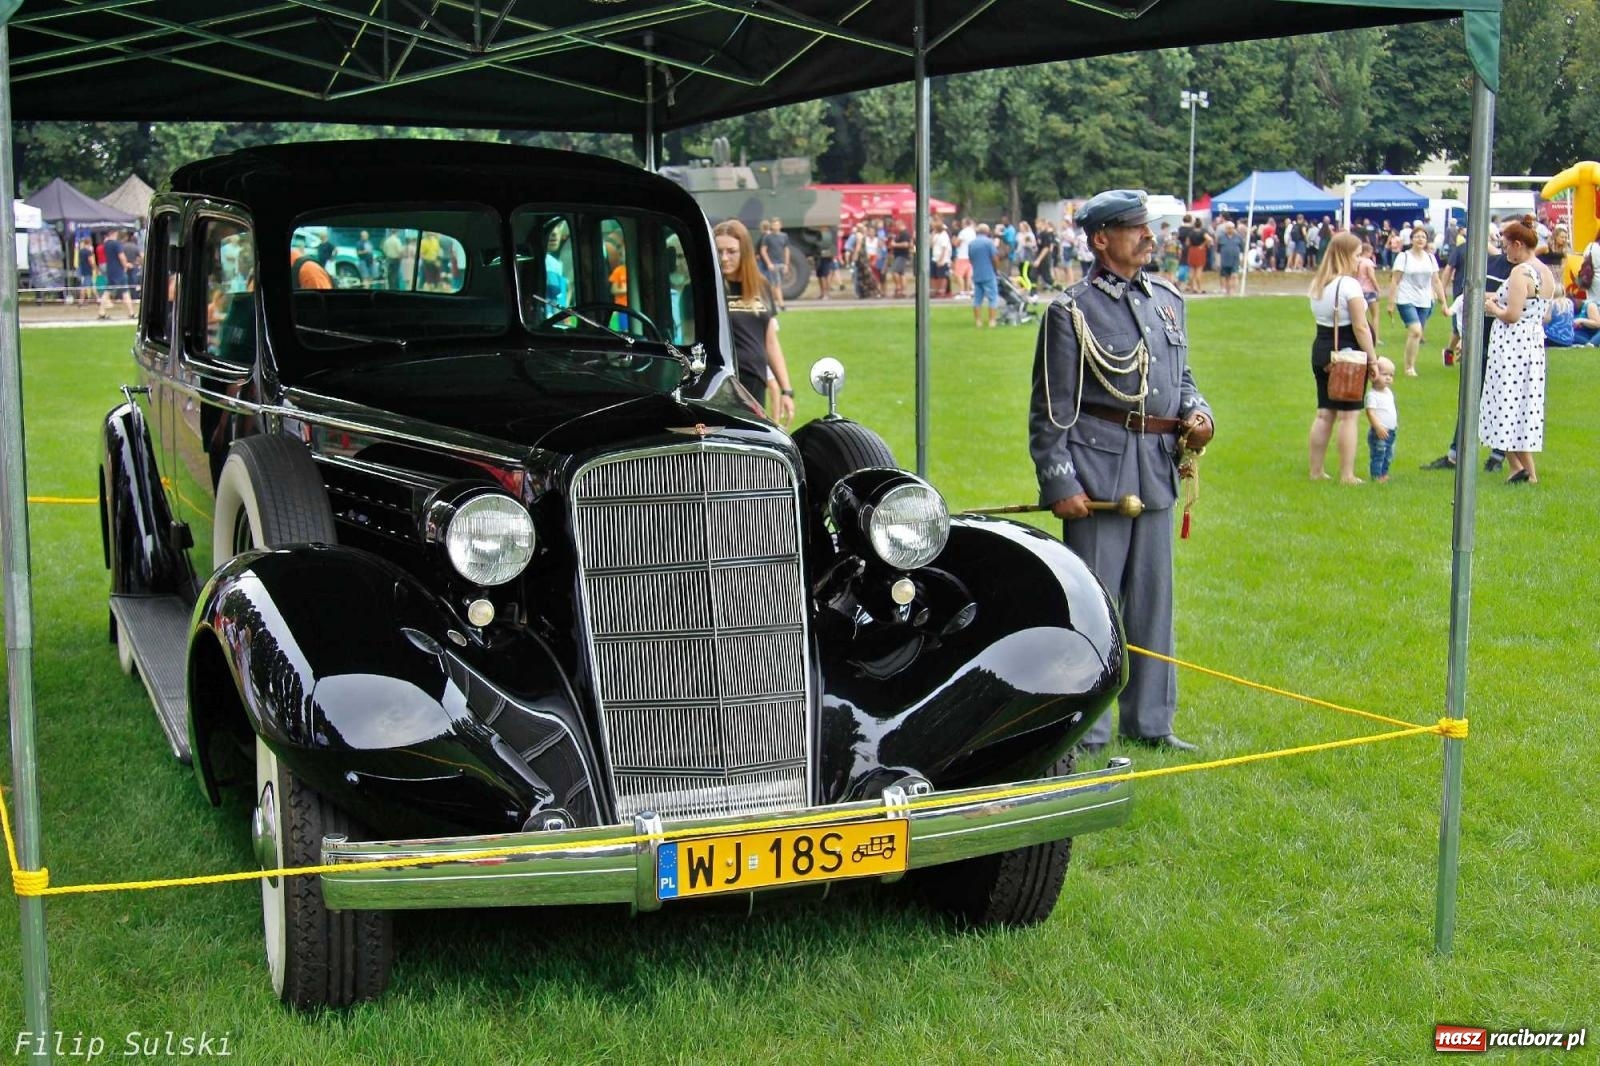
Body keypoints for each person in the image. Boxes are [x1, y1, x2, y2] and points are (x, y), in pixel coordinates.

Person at [1028, 189, 1214, 754]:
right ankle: (1090, 727)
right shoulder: (1072, 310)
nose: (1149, 237)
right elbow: (1051, 407)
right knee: (1094, 604)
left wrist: (1198, 412)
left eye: (1148, 228)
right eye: (1136, 229)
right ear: (1101, 238)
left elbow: (1181, 377)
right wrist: (1060, 480)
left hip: (1155, 469)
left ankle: (1151, 723)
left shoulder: (1167, 299)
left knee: (1154, 602)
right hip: (1097, 471)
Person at [1480, 216, 1553, 485]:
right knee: (1522, 407)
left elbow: (1511, 314)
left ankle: (1516, 467)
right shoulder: (1545, 272)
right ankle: (1526, 473)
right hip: (1533, 343)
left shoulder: (1520, 272)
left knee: (1503, 403)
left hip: (1512, 345)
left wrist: (1493, 308)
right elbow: (1543, 314)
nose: (1504, 251)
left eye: (1506, 245)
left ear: (1518, 244)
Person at [1307, 232, 1378, 484]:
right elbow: (1360, 327)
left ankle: (1316, 470)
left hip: (1321, 348)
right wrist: (1372, 359)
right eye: (1357, 255)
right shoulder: (1349, 285)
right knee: (1349, 415)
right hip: (1347, 352)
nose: (1360, 260)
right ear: (1347, 255)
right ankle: (1346, 474)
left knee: (1324, 412)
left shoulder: (1318, 283)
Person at [714, 219, 795, 426]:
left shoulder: (761, 287)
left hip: (755, 382)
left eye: (731, 251)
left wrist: (786, 390)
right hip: (719, 385)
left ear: (745, 252)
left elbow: (770, 343)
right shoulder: (707, 289)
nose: (724, 258)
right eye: (719, 250)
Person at [1388, 227, 1446, 377]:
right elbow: (1395, 280)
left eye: (1423, 237)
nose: (1420, 239)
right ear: (1411, 239)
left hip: (1425, 300)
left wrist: (1443, 302)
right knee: (1415, 330)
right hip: (1406, 298)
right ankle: (1409, 368)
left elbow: (1436, 280)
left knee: (1417, 335)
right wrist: (1391, 302)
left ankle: (1411, 363)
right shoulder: (1403, 257)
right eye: (1417, 237)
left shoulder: (1430, 258)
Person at [1365, 356, 1398, 483]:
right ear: (1373, 374)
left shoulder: (1388, 392)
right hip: (1379, 431)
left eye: (1391, 375)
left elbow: (1391, 409)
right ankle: (1376, 476)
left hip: (1391, 431)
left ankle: (1384, 473)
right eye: (1385, 374)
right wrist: (1377, 427)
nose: (1389, 378)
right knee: (1379, 454)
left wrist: (1395, 424)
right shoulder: (1372, 395)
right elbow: (1370, 412)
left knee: (1388, 454)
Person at [967, 222, 1001, 327]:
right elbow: (994, 258)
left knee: (977, 298)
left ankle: (978, 321)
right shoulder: (989, 242)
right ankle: (992, 320)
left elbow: (971, 259)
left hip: (977, 273)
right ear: (987, 232)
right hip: (989, 273)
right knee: (993, 297)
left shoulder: (972, 243)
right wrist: (996, 269)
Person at [759, 217, 791, 310]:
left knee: (775, 285)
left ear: (780, 225)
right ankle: (781, 304)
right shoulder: (767, 237)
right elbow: (763, 250)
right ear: (771, 226)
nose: (775, 226)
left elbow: (786, 250)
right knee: (777, 284)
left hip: (781, 263)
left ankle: (768, 302)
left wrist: (786, 264)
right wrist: (769, 263)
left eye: (777, 224)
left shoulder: (784, 236)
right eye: (774, 224)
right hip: (773, 263)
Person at [1355, 241, 1381, 348]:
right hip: (1369, 290)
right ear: (1368, 251)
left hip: (1358, 290)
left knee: (1360, 316)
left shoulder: (1356, 261)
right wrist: (1377, 289)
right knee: (1375, 315)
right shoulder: (1368, 263)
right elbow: (1372, 277)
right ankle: (1375, 338)